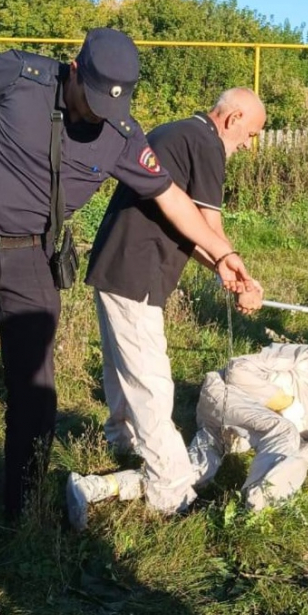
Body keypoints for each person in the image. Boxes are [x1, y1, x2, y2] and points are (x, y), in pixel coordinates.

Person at [0, 28, 255, 549]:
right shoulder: (19, 76)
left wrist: (223, 255)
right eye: (94, 97)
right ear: (74, 68)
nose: (99, 114)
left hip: (30, 261)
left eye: (115, 102)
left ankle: (24, 508)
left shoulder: (123, 133)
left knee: (36, 396)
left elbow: (172, 198)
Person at [81, 88, 267, 518]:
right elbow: (208, 225)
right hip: (137, 270)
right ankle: (171, 491)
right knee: (151, 379)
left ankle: (121, 438)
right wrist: (239, 274)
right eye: (250, 133)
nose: (247, 143)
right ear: (232, 117)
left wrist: (225, 270)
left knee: (120, 361)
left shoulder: (178, 131)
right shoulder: (206, 143)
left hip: (115, 263)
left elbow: (185, 225)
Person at [66, 343, 308, 530]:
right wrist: (285, 402)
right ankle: (255, 504)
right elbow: (238, 369)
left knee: (190, 473)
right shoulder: (306, 363)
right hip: (223, 397)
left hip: (226, 435)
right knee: (283, 428)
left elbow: (298, 460)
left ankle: (92, 487)